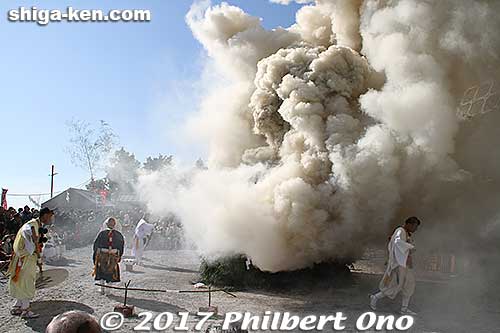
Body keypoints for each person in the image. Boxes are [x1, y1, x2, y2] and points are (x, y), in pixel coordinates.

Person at [7, 207, 54, 318]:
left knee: (21, 281)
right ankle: (25, 310)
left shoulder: (37, 225)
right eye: (50, 216)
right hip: (25, 258)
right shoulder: (32, 224)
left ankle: (17, 306)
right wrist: (37, 254)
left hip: (25, 258)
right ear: (45, 215)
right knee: (27, 281)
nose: (51, 219)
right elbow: (30, 236)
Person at [370, 216, 421, 315]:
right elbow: (397, 242)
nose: (416, 229)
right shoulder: (400, 231)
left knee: (409, 284)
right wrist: (410, 247)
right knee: (395, 286)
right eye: (415, 226)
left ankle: (404, 309)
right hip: (399, 265)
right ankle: (375, 297)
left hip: (404, 265)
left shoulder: (406, 233)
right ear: (409, 224)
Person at [92, 217, 124, 295]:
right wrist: (119, 255)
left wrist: (96, 255)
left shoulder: (102, 233)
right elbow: (121, 247)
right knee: (109, 272)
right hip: (110, 256)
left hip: (104, 256)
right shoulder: (118, 234)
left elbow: (96, 246)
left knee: (104, 272)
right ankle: (106, 290)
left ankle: (103, 289)